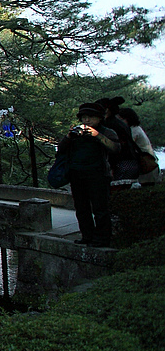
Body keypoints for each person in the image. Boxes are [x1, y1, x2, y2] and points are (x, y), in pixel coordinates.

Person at [58, 101, 120, 246]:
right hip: (77, 174)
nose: (87, 121)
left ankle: (102, 239)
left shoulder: (107, 132)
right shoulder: (77, 133)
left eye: (91, 118)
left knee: (100, 208)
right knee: (81, 208)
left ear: (99, 118)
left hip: (98, 175)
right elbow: (61, 149)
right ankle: (87, 236)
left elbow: (115, 148)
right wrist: (69, 137)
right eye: (84, 117)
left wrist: (97, 135)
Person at [99, 96, 140, 182]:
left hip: (121, 164)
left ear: (106, 110)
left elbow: (115, 148)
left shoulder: (109, 126)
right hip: (131, 162)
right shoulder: (120, 123)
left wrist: (112, 167)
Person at [118, 106, 160, 185]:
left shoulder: (133, 131)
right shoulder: (136, 129)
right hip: (149, 163)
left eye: (121, 119)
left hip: (146, 165)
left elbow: (124, 146)